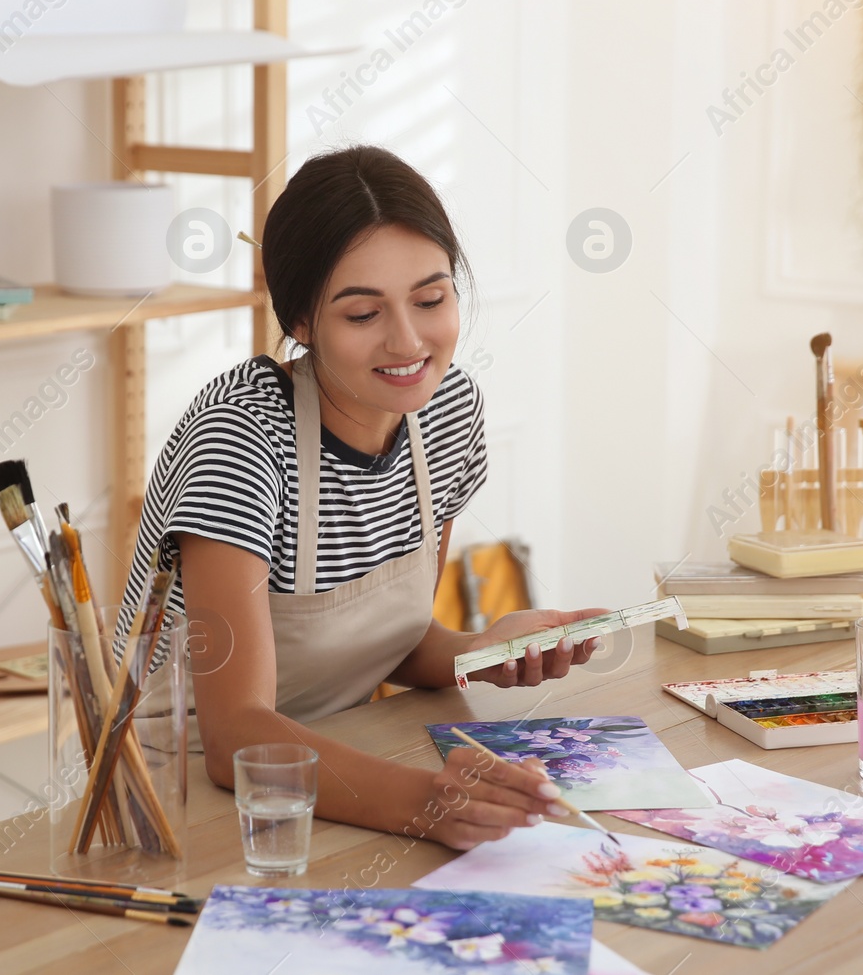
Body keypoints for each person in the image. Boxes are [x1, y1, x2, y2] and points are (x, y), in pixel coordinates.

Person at [114, 144, 609, 850]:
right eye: (361, 314)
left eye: (431, 299)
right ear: (303, 325)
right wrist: (429, 801)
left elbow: (393, 643)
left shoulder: (448, 414)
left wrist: (479, 651)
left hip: (336, 766)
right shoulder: (242, 438)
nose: (408, 341)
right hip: (186, 793)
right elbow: (232, 736)